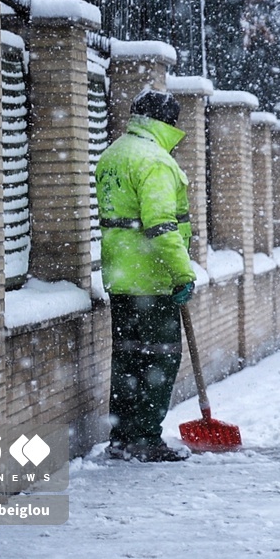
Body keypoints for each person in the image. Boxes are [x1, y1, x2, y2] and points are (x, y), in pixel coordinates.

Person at [96, 89, 197, 462]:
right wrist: (182, 274)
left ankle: (122, 437)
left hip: (121, 277)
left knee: (127, 359)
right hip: (152, 281)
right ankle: (146, 439)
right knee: (159, 359)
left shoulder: (113, 153)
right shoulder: (155, 161)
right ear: (168, 123)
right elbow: (160, 226)